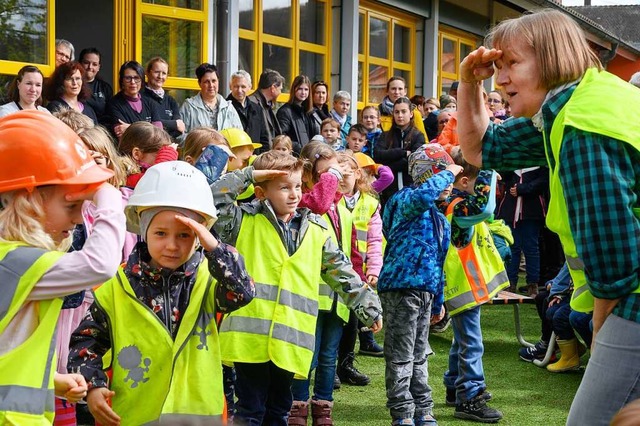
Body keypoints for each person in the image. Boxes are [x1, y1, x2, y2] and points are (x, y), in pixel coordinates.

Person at [456, 9, 640, 425]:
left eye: (511, 64)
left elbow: (615, 266)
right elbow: (483, 149)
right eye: (496, 69)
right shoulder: (581, 103)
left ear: (554, 57)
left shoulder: (581, 126)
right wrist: (468, 83)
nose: (499, 80)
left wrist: (601, 341)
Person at [68, 161, 255, 426]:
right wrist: (94, 386)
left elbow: (243, 291)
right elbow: (85, 343)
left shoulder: (210, 280)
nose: (172, 245)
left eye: (185, 235)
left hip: (199, 416)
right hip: (135, 415)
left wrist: (214, 247)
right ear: (144, 231)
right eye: (160, 233)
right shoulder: (116, 287)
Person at [211, 151, 382, 425]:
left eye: (298, 186)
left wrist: (369, 306)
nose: (294, 194)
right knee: (250, 412)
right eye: (283, 187)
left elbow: (341, 272)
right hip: (248, 342)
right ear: (260, 191)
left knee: (279, 411)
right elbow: (214, 198)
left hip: (290, 343)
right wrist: (249, 175)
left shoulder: (315, 229)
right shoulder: (241, 220)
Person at [0, 110, 125, 422]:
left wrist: (51, 383)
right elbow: (99, 264)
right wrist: (107, 194)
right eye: (71, 205)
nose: (77, 217)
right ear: (25, 200)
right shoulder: (17, 263)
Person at [378, 143, 463, 426]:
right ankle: (402, 413)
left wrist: (438, 303)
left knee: (419, 355)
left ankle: (423, 409)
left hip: (426, 293)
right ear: (428, 174)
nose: (450, 184)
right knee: (400, 356)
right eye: (443, 175)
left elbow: (439, 264)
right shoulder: (405, 200)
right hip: (401, 288)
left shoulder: (441, 220)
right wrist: (450, 171)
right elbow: (425, 193)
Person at [438, 148, 506, 423]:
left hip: (461, 286)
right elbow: (486, 207)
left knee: (462, 340)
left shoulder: (454, 201)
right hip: (460, 286)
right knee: (472, 344)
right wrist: (489, 171)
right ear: (465, 181)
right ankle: (470, 395)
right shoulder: (458, 206)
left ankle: (455, 385)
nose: (485, 189)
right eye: (479, 183)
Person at [496, 167, 549, 295]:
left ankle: (532, 283)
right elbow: (503, 175)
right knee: (513, 247)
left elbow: (544, 180)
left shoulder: (539, 163)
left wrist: (524, 188)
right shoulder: (511, 163)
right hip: (510, 209)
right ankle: (510, 282)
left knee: (531, 247)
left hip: (531, 210)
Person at [374, 97, 426, 202]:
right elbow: (378, 156)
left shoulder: (418, 136)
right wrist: (402, 153)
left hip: (411, 189)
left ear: (411, 114)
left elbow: (414, 161)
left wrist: (389, 164)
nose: (400, 115)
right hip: (389, 190)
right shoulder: (386, 135)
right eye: (396, 112)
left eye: (403, 111)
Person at [180, 62, 243, 137]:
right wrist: (200, 142)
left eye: (214, 81)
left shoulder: (228, 108)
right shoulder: (189, 107)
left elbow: (239, 135)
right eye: (206, 82)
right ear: (199, 83)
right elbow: (179, 137)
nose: (211, 85)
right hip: (199, 148)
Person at [106, 61, 164, 140]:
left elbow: (159, 134)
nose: (132, 82)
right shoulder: (114, 104)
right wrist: (150, 129)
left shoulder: (151, 103)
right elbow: (124, 136)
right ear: (122, 81)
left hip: (152, 150)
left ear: (142, 80)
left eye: (136, 78)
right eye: (128, 78)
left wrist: (130, 127)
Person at [118, 121, 178, 188]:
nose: (162, 159)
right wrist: (167, 157)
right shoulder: (127, 177)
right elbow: (154, 182)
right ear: (137, 154)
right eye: (161, 155)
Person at [142, 57, 185, 140]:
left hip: (167, 145)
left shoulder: (171, 101)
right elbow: (145, 124)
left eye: (164, 73)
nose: (160, 76)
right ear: (147, 73)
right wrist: (173, 124)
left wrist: (161, 125)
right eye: (157, 72)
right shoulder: (141, 97)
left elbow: (180, 129)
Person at [227, 70, 269, 153]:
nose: (239, 90)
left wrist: (262, 158)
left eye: (243, 87)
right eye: (236, 86)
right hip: (235, 157)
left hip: (255, 158)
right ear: (230, 86)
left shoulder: (257, 109)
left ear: (250, 87)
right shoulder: (225, 108)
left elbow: (264, 137)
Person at [277, 74, 314, 155]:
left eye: (306, 89)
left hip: (306, 155)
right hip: (293, 156)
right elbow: (282, 136)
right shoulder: (285, 111)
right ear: (294, 89)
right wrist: (298, 147)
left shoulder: (307, 112)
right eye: (300, 89)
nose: (303, 92)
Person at [247, 69, 284, 147]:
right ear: (273, 88)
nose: (281, 92)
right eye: (280, 89)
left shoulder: (266, 105)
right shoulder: (252, 103)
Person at [79, 47, 113, 124]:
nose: (90, 67)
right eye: (86, 63)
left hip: (100, 130)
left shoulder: (105, 88)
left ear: (98, 67)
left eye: (94, 64)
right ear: (80, 63)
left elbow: (110, 115)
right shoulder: (74, 85)